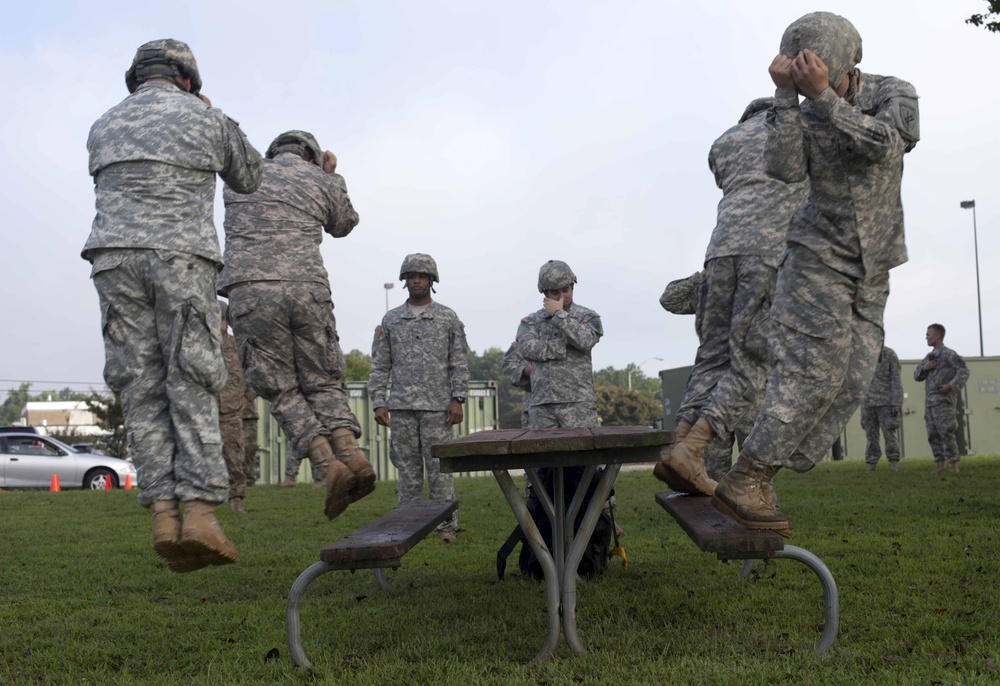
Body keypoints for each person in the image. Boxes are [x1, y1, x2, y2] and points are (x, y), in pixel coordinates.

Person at [707, 12, 919, 537]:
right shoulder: (799, 110)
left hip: (874, 263)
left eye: (819, 75)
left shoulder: (895, 93)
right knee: (814, 373)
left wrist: (824, 99)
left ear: (849, 65)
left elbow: (887, 145)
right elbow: (783, 169)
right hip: (815, 257)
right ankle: (747, 475)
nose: (809, 86)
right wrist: (785, 100)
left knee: (852, 379)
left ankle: (764, 468)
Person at [83, 39, 263, 572]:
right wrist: (215, 114)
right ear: (188, 79)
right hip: (180, 260)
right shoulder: (202, 118)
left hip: (113, 261)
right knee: (193, 377)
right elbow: (249, 176)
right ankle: (202, 516)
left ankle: (164, 514)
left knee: (141, 386)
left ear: (136, 78)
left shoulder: (102, 124)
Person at [220, 130, 374, 520]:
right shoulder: (319, 178)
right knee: (322, 379)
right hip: (308, 290)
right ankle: (354, 458)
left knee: (283, 389)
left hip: (252, 292)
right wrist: (331, 176)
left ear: (274, 151)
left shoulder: (245, 174)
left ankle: (329, 467)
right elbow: (343, 224)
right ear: (312, 155)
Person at [658, 97, 807, 495]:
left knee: (711, 358)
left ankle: (679, 446)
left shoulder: (724, 142)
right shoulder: (792, 130)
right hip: (767, 251)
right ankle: (693, 448)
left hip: (720, 252)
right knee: (750, 361)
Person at [367, 254, 469, 542]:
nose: (416, 280)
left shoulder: (447, 318)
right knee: (408, 471)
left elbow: (458, 361)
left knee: (439, 470)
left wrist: (457, 398)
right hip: (401, 407)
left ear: (432, 280)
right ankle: (406, 528)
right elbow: (380, 364)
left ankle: (446, 527)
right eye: (411, 275)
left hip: (438, 408)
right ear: (404, 280)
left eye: (422, 276)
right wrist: (378, 401)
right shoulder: (391, 320)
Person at [658, 270, 744, 480]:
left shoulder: (756, 285)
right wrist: (700, 276)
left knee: (753, 463)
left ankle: (760, 507)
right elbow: (669, 300)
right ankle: (716, 511)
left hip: (749, 384)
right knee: (714, 464)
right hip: (713, 386)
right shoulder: (707, 290)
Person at [516, 260, 603, 429]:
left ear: (572, 286)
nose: (562, 296)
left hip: (578, 404)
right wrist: (562, 347)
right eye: (555, 292)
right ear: (545, 293)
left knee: (582, 453)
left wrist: (558, 314)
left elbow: (585, 341)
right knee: (543, 455)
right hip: (542, 406)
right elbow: (526, 348)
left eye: (566, 290)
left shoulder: (587, 317)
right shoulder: (532, 322)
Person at [915, 324, 969, 473]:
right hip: (930, 403)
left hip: (944, 401)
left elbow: (964, 371)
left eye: (929, 334)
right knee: (932, 434)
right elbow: (916, 376)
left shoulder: (949, 354)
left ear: (937, 336)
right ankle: (940, 463)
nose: (926, 337)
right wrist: (925, 368)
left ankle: (953, 464)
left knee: (946, 432)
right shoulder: (929, 357)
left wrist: (950, 386)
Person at [217, 301, 247, 513]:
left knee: (234, 456)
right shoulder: (200, 346)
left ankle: (235, 501)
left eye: (219, 318)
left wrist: (248, 398)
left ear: (226, 322)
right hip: (203, 412)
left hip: (230, 410)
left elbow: (253, 371)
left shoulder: (238, 345)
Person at [860, 345, 903, 472]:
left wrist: (897, 400)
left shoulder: (889, 354)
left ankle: (893, 461)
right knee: (870, 434)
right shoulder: (863, 353)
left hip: (886, 401)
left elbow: (896, 378)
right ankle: (872, 462)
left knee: (889, 432)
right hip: (868, 401)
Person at [501, 341, 532, 429]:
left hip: (572, 410)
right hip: (537, 410)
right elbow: (508, 366)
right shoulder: (531, 332)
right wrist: (525, 371)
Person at [241, 385, 259, 488]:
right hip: (223, 412)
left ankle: (248, 481)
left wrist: (246, 399)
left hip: (247, 414)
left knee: (248, 449)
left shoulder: (247, 368)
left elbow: (256, 384)